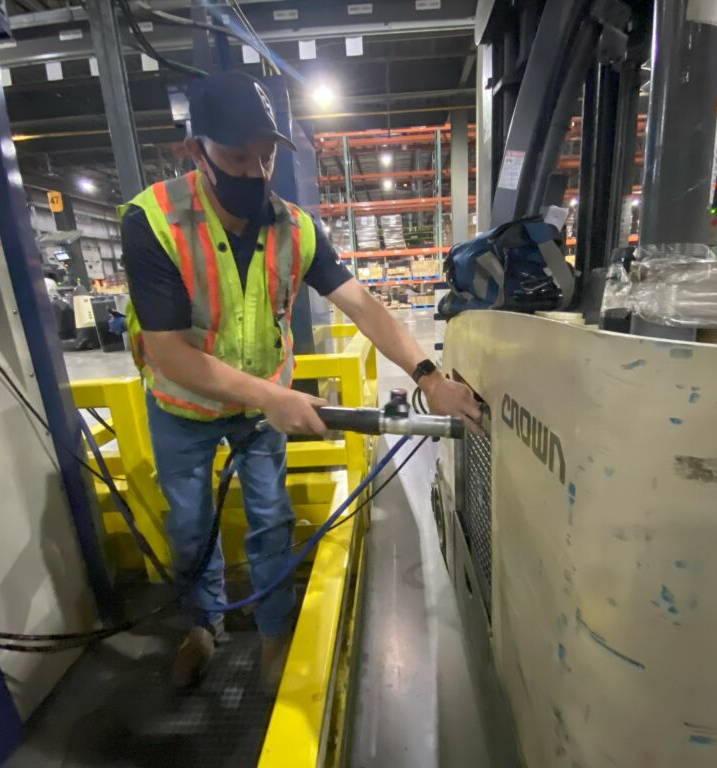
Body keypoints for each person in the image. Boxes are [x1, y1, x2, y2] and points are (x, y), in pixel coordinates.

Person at [120, 70, 481, 689]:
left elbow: (363, 305)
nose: (255, 174)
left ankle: (273, 633)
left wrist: (428, 375)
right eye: (236, 157)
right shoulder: (153, 221)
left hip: (262, 408)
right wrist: (273, 396)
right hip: (182, 406)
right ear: (195, 152)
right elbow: (170, 354)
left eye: (265, 158)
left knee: (271, 517)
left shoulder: (295, 227)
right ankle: (202, 623)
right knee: (188, 522)